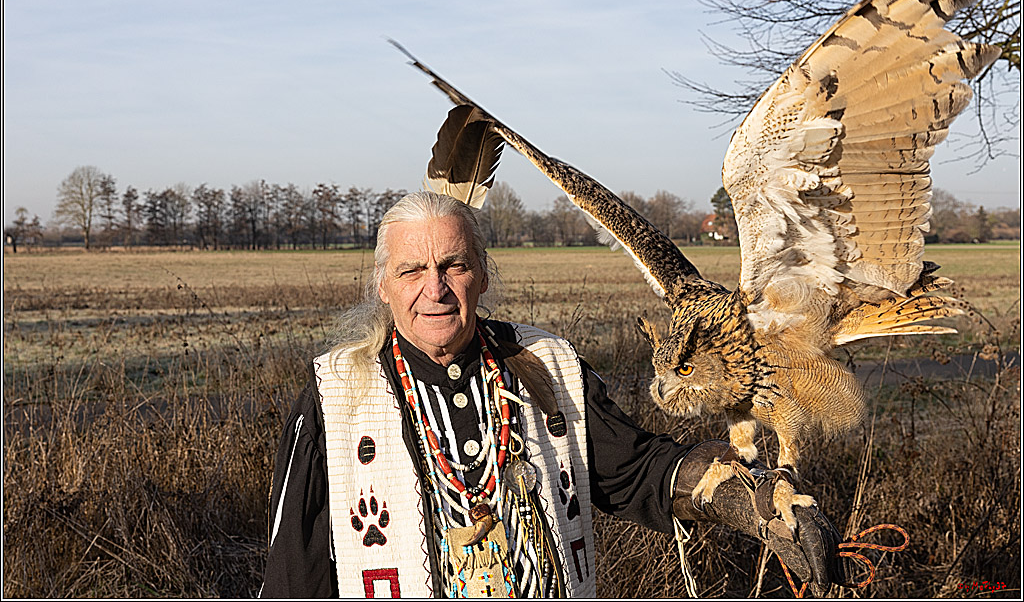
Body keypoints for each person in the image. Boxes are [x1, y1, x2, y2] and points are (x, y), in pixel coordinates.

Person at [260, 191, 844, 598]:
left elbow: (633, 470)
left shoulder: (549, 367)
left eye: (454, 266)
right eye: (412, 271)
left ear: (482, 276)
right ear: (384, 287)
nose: (434, 289)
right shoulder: (333, 398)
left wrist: (742, 496)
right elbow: (296, 570)